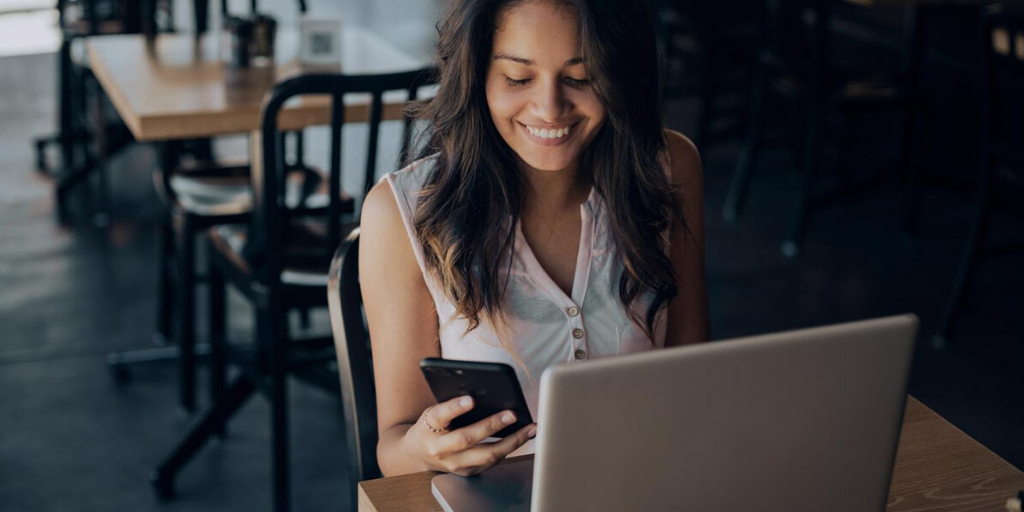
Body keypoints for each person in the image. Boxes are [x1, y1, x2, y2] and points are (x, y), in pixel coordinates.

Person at [359, 0, 708, 477]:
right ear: (477, 74)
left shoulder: (670, 170)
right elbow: (394, 452)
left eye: (582, 78)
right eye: (518, 78)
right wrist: (425, 449)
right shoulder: (401, 216)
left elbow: (697, 381)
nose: (549, 107)